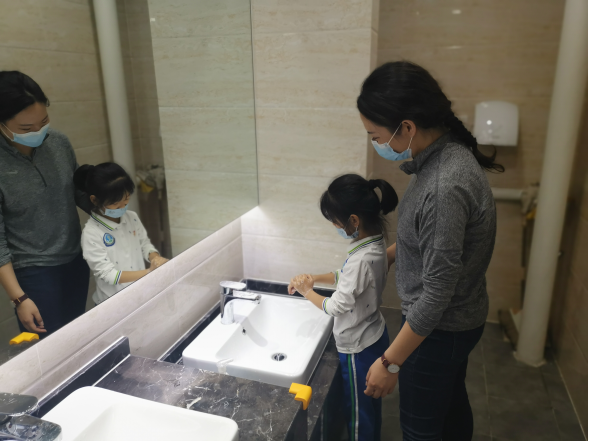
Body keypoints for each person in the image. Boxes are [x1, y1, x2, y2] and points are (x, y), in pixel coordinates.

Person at [357, 61, 502, 441]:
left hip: (438, 329)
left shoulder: (443, 185)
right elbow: (428, 241)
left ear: (407, 127)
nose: (376, 144)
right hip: (458, 320)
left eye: (375, 135)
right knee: (450, 410)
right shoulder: (446, 156)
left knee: (420, 429)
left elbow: (436, 293)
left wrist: (389, 363)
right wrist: (383, 256)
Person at [288, 174, 399, 441]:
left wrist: (307, 292)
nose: (334, 226)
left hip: (357, 348)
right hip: (375, 334)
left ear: (354, 221)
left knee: (359, 415)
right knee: (371, 407)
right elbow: (347, 278)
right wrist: (316, 278)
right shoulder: (375, 243)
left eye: (335, 221)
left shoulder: (360, 259)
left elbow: (336, 305)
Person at [0, 71, 93, 336]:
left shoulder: (59, 143)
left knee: (76, 337)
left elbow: (77, 193)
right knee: (48, 348)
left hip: (74, 258)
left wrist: (113, 207)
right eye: (26, 128)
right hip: (33, 272)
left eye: (43, 122)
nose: (38, 132)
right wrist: (19, 298)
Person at [74, 163, 168, 305]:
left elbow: (144, 244)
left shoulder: (131, 217)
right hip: (112, 303)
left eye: (126, 200)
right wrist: (149, 272)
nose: (122, 207)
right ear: (95, 200)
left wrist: (155, 257)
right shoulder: (91, 233)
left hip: (139, 294)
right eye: (116, 204)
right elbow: (108, 274)